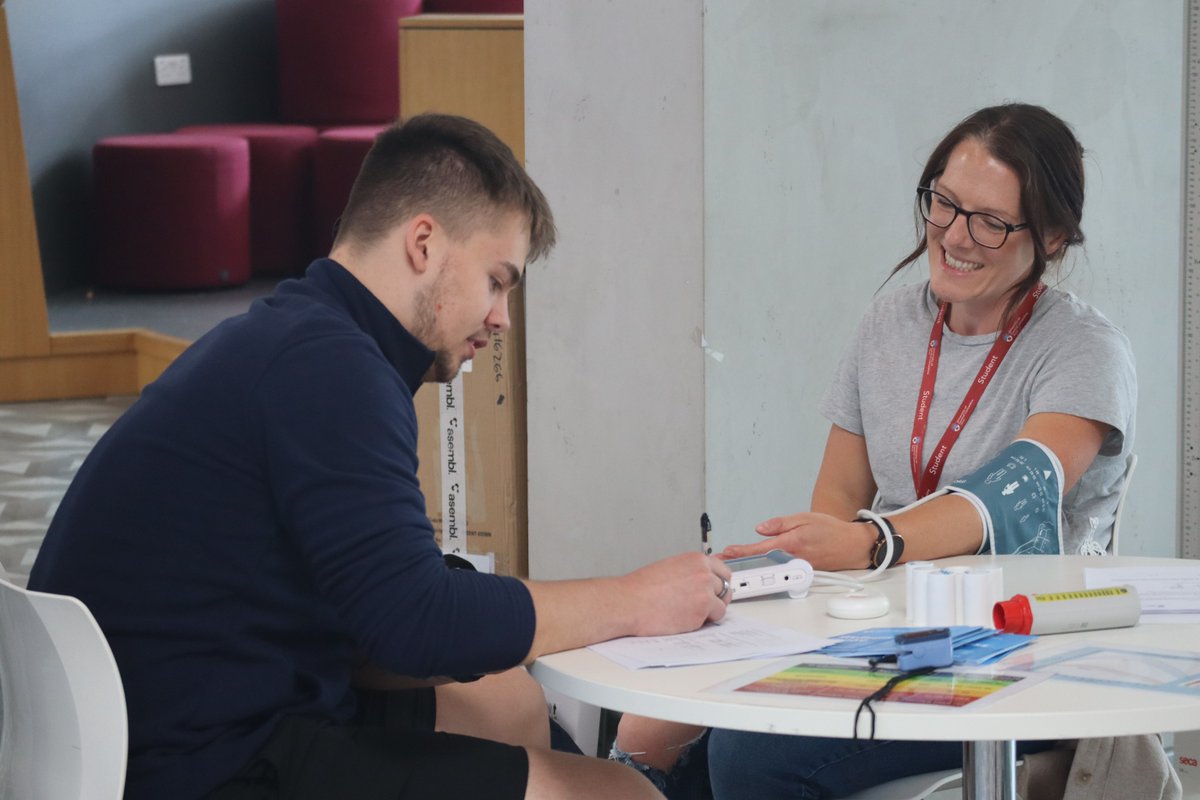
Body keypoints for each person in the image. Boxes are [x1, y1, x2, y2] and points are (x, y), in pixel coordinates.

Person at [28, 113, 735, 800]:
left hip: (167, 720)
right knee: (619, 795)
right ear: (423, 243)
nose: (502, 319)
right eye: (497, 280)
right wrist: (636, 600)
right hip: (205, 762)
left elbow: (375, 612)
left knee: (505, 704)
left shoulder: (299, 337)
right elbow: (413, 625)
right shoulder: (333, 369)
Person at [612, 103, 1138, 798]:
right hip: (883, 633)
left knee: (747, 755)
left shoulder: (1083, 351)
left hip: (1016, 652)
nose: (954, 236)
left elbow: (1016, 489)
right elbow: (837, 500)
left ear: (1053, 236)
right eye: (943, 204)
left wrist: (872, 543)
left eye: (989, 221)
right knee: (652, 717)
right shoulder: (892, 319)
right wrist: (788, 566)